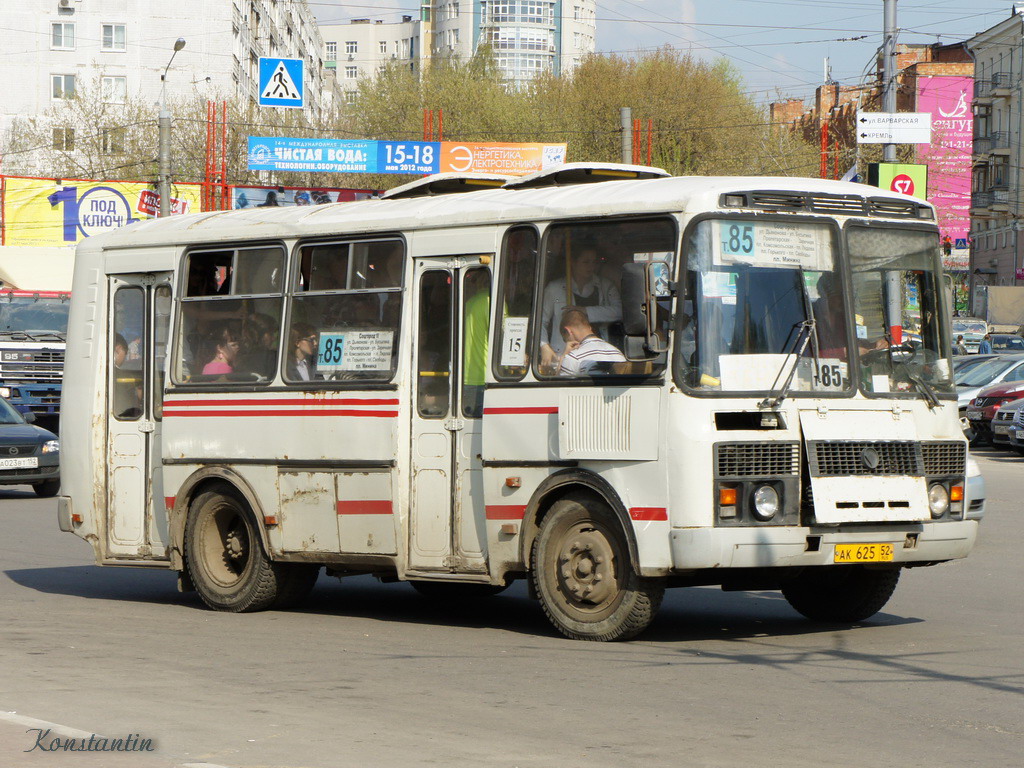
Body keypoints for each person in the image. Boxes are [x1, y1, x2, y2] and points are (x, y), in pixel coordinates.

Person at [540, 246, 621, 365]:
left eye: (594, 262)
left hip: (597, 356)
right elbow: (540, 321)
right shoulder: (554, 288)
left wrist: (585, 311)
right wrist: (544, 346)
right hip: (562, 355)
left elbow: (619, 312)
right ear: (572, 262)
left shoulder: (605, 286)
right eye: (586, 262)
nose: (591, 266)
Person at [557, 308, 626, 376]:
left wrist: (564, 356)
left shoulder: (573, 357)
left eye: (565, 340)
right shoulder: (618, 353)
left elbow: (560, 385)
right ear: (590, 328)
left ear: (569, 331)